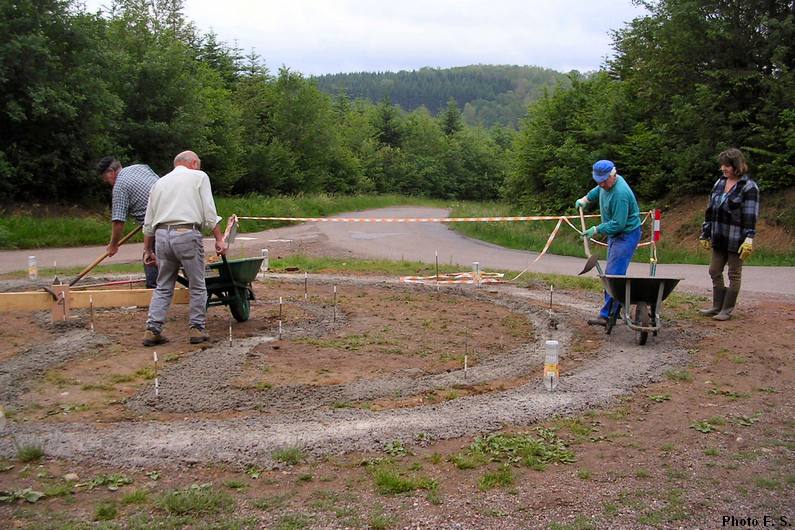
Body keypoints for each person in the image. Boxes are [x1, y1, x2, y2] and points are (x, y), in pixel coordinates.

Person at [141, 150, 227, 346]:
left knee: (163, 285)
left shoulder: (159, 183)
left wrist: (148, 250)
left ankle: (152, 329)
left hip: (162, 236)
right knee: (197, 283)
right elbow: (209, 212)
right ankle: (197, 328)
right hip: (187, 233)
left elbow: (148, 222)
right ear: (194, 163)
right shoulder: (199, 177)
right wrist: (219, 239)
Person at [575, 160, 642, 326]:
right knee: (611, 273)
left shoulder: (621, 194)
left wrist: (596, 229)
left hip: (626, 234)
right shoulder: (605, 185)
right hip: (615, 234)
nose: (602, 184)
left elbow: (619, 224)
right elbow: (598, 190)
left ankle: (607, 315)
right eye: (599, 181)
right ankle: (614, 311)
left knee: (613, 275)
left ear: (614, 175)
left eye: (605, 180)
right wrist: (585, 199)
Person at [698, 148, 759, 321]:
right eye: (722, 165)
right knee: (714, 270)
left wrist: (749, 238)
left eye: (727, 166)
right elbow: (710, 210)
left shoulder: (749, 187)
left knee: (734, 273)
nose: (723, 169)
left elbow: (750, 215)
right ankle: (716, 306)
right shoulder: (719, 183)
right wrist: (705, 232)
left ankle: (727, 309)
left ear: (736, 166)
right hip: (718, 236)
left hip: (737, 238)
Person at [97, 156, 160, 288]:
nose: (106, 181)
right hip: (173, 214)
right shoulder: (141, 167)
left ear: (111, 171)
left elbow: (118, 221)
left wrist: (113, 245)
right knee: (179, 255)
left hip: (156, 224)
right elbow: (159, 184)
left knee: (149, 256)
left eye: (105, 177)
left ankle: (152, 291)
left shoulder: (120, 186)